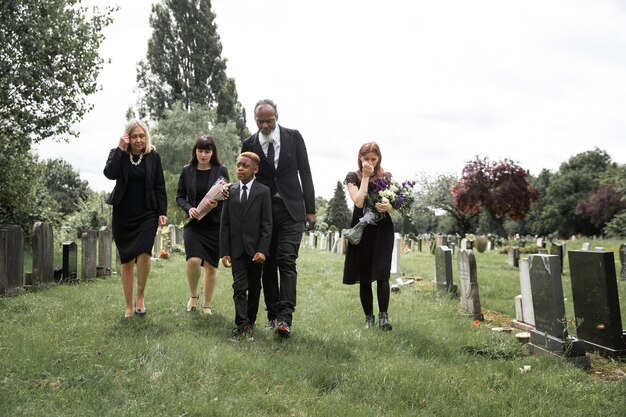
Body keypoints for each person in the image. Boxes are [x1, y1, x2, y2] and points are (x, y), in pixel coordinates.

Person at [241, 99, 316, 337]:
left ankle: (285, 318)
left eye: (269, 120)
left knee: (287, 260)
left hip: (292, 209)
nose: (264, 125)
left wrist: (310, 209)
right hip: (263, 212)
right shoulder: (249, 142)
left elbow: (305, 172)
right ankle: (273, 315)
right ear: (255, 120)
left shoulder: (294, 137)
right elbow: (246, 178)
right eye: (260, 121)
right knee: (267, 264)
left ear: (277, 117)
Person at [104, 119, 168, 318]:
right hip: (124, 213)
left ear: (146, 136)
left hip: (147, 212)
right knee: (126, 259)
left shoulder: (153, 156)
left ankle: (140, 296)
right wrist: (120, 148)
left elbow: (159, 185)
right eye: (134, 136)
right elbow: (109, 173)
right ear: (128, 137)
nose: (139, 140)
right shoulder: (118, 154)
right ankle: (128, 306)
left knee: (143, 253)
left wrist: (162, 211)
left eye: (142, 135)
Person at [220, 152, 273, 339]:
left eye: (245, 165)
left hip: (256, 250)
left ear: (255, 169)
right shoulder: (229, 191)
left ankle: (250, 320)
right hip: (236, 250)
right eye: (238, 165)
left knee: (254, 287)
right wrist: (224, 251)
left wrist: (262, 249)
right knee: (239, 287)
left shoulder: (263, 191)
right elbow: (225, 223)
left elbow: (267, 224)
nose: (240, 168)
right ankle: (241, 324)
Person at [176, 135, 230, 315]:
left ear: (212, 152)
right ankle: (193, 295)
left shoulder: (221, 170)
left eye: (207, 151)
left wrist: (216, 203)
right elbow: (180, 196)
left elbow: (228, 195)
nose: (203, 155)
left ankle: (207, 305)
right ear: (195, 151)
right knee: (192, 260)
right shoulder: (187, 171)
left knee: (211, 266)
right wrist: (189, 208)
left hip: (215, 225)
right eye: (200, 151)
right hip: (194, 224)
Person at [343, 142, 394, 330]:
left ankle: (384, 318)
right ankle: (368, 318)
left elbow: (393, 204)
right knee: (364, 275)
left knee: (382, 273)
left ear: (379, 158)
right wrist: (365, 177)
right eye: (366, 159)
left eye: (373, 159)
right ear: (360, 158)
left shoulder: (386, 176)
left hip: (382, 230)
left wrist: (388, 205)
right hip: (362, 230)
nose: (370, 162)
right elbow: (358, 202)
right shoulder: (352, 176)